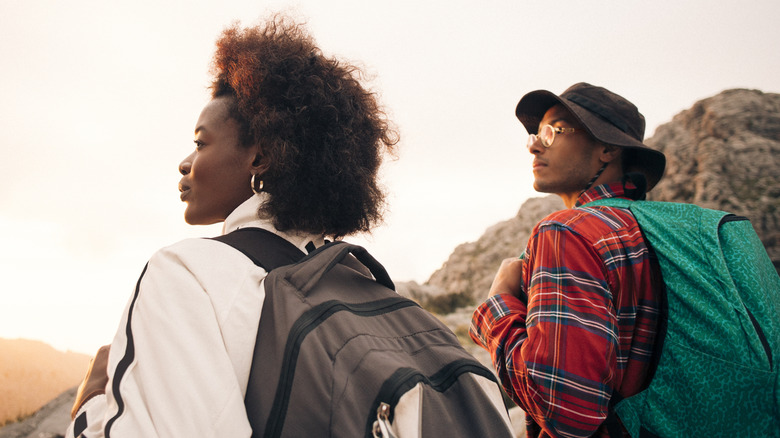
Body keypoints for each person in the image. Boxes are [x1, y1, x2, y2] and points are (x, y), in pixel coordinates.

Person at [66, 15, 397, 437]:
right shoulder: (363, 281)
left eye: (201, 142)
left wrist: (90, 406)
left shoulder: (187, 272)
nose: (186, 162)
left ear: (259, 158)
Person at [470, 83, 666, 438]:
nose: (534, 144)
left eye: (553, 130)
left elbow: (565, 413)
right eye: (535, 133)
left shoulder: (567, 233)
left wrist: (497, 304)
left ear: (607, 149)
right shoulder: (654, 232)